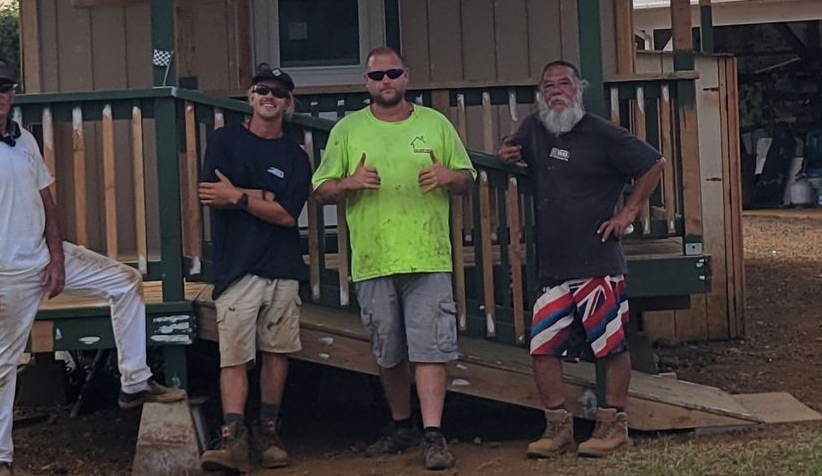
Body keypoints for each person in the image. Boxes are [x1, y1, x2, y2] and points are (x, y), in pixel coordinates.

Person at [0, 59, 184, 476]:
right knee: (0, 365)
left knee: (125, 282)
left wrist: (57, 256)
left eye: (4, 87)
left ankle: (134, 381)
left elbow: (48, 203)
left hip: (43, 257)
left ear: (13, 92)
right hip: (2, 274)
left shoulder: (24, 140)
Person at [310, 47, 474, 471]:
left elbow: (467, 178)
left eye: (393, 73)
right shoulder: (347, 130)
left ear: (406, 77)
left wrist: (449, 176)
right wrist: (348, 183)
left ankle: (433, 434)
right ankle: (402, 425)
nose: (385, 81)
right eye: (377, 75)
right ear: (366, 82)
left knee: (430, 348)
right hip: (373, 257)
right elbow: (321, 189)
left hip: (428, 256)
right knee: (389, 350)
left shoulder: (435, 124)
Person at [499, 60, 664, 459]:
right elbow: (510, 148)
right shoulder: (535, 128)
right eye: (548, 85)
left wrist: (628, 213)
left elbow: (654, 163)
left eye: (564, 83)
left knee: (610, 346)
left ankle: (613, 425)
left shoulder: (603, 133)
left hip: (598, 261)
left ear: (579, 89)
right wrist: (505, 153)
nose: (556, 90)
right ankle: (557, 428)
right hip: (553, 266)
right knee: (543, 348)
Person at [197, 65, 311, 473]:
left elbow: (288, 215)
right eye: (263, 89)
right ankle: (232, 438)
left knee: (277, 352)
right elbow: (210, 192)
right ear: (250, 97)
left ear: (287, 104)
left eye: (279, 93)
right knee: (234, 355)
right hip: (236, 267)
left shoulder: (295, 156)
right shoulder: (224, 140)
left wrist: (239, 197)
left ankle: (269, 433)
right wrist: (262, 195)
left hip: (282, 266)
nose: (269, 97)